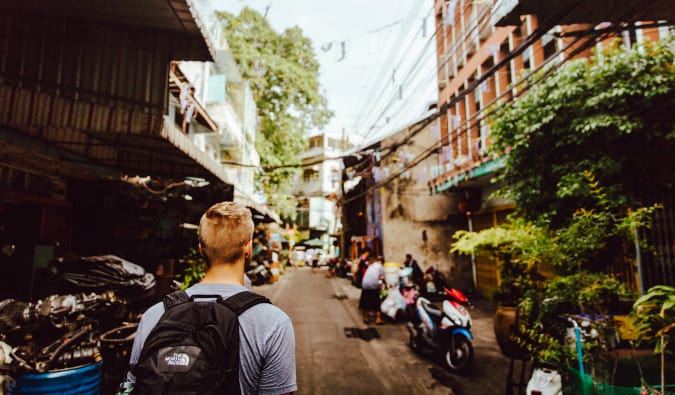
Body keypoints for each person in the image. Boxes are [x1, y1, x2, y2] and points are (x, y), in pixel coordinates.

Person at [123, 202, 297, 394]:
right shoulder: (273, 323)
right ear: (247, 248)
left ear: (200, 249)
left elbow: (130, 387)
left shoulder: (154, 315)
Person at [359, 255, 384, 325]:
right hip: (373, 285)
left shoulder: (370, 266)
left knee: (366, 301)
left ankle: (366, 317)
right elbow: (382, 277)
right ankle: (378, 319)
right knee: (376, 301)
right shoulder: (380, 266)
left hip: (365, 284)